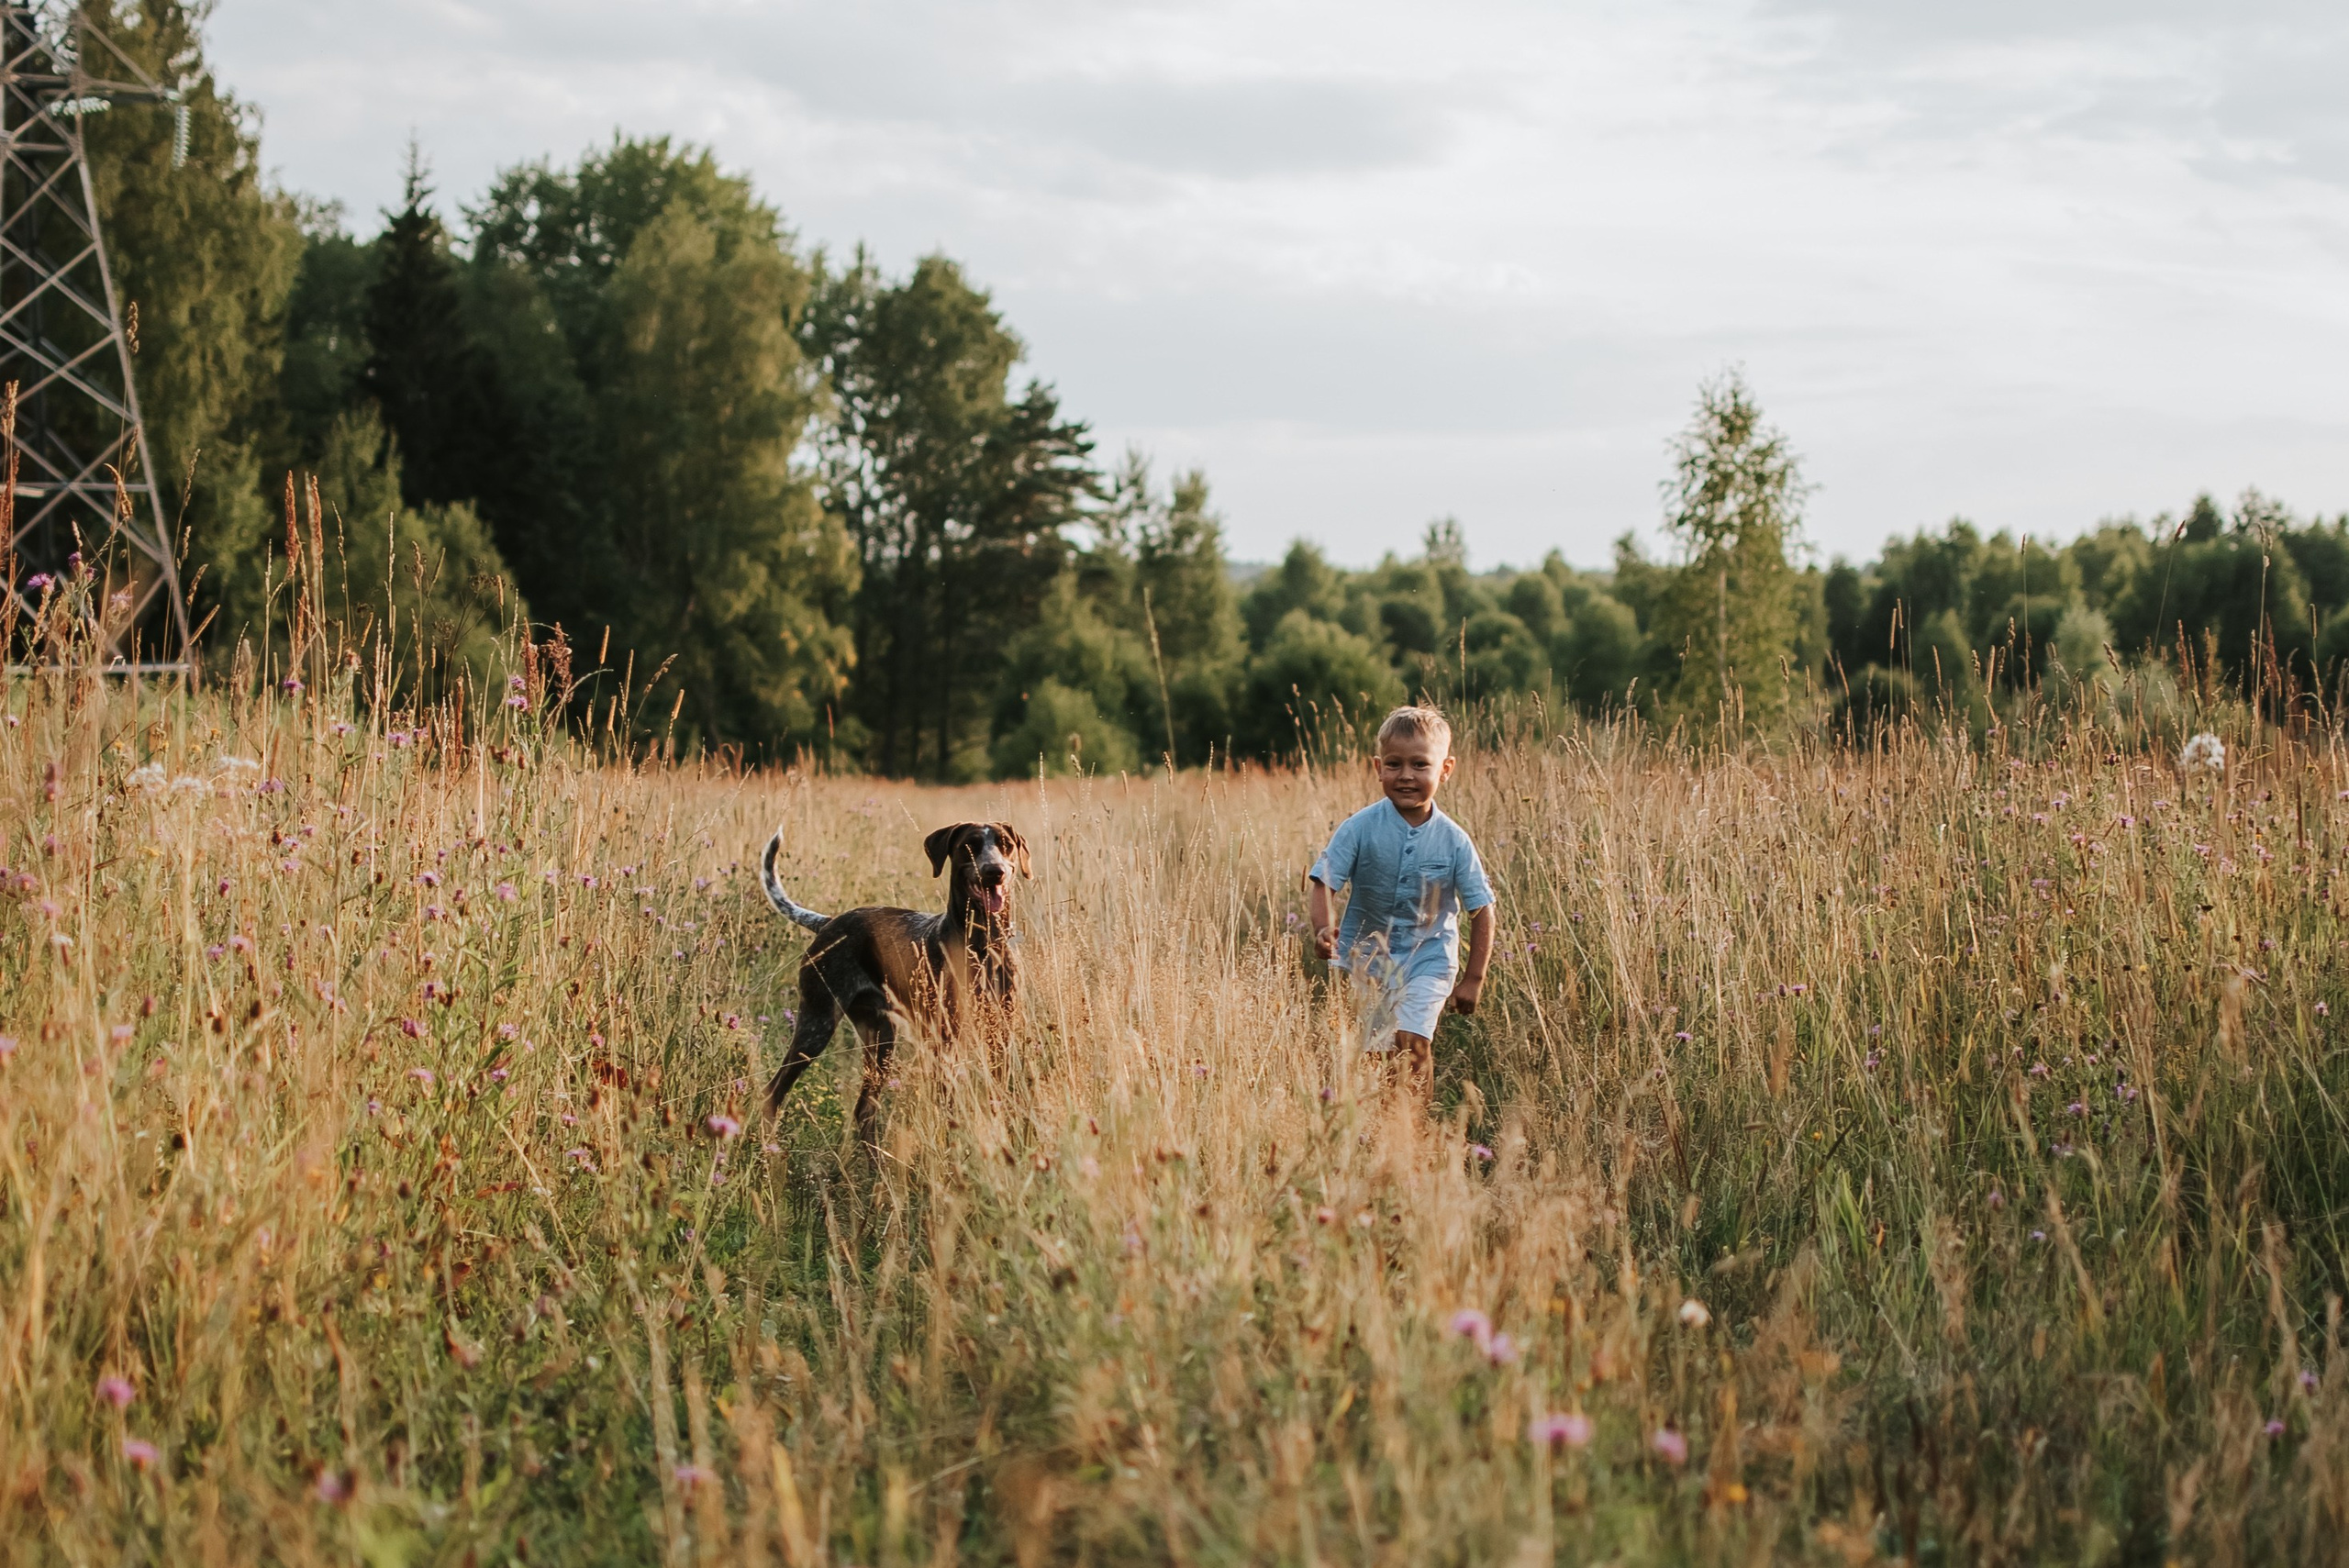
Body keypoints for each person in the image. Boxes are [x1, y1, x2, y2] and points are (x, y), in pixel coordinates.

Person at [1308, 705, 1496, 1104]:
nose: (1406, 775)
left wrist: (1473, 978)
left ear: (1445, 770)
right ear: (1378, 767)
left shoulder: (1454, 840)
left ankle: (1414, 1129)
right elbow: (1325, 880)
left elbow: (1482, 909)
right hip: (1368, 958)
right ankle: (1383, 1130)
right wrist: (1324, 928)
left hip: (1429, 957)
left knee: (1412, 1042)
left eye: (1420, 765)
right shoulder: (1359, 827)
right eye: (1394, 764)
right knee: (1378, 1052)